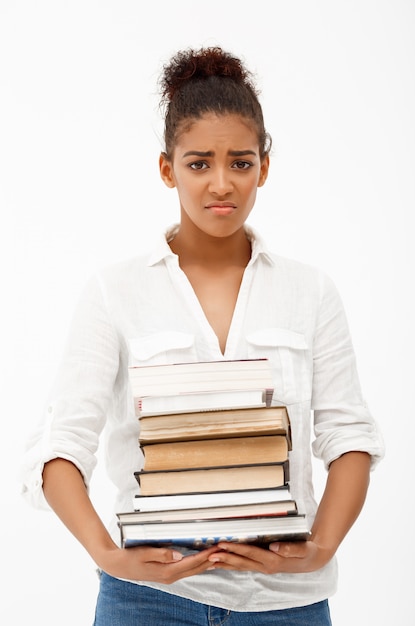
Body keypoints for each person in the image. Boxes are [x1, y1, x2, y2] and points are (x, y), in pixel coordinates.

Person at [21, 46, 384, 625]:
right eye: (199, 163)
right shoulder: (113, 291)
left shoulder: (311, 291)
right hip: (147, 602)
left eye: (241, 163)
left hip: (285, 604)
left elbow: (349, 436)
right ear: (167, 169)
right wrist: (108, 555)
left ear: (264, 165)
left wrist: (321, 548)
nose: (222, 184)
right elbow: (60, 446)